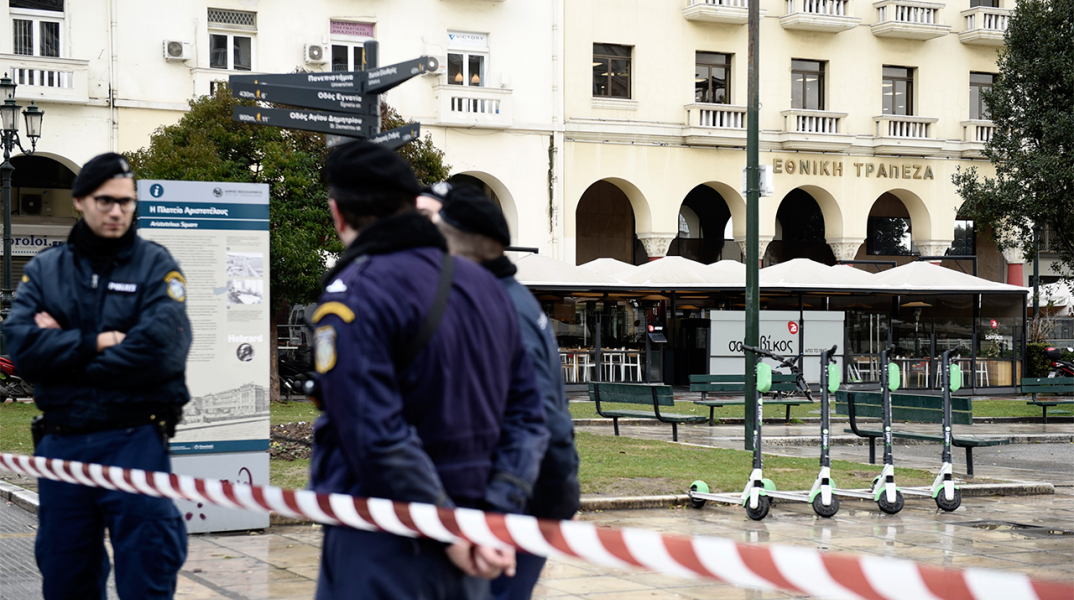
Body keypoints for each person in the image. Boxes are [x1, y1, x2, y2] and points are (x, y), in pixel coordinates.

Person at [309, 141, 549, 600]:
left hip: (384, 540)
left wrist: (447, 529)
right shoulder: (489, 286)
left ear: (338, 214)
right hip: (475, 534)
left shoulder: (354, 295)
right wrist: (491, 517)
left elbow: (377, 436)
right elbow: (528, 421)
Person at [2, 152, 192, 599]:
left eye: (126, 202)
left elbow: (161, 353)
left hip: (136, 441)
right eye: (106, 200)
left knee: (147, 575)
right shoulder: (46, 270)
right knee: (67, 577)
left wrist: (64, 345)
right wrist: (99, 341)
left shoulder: (155, 266)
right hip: (63, 443)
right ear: (80, 202)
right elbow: (24, 351)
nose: (117, 211)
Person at [435, 185, 581, 600]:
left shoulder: (501, 308)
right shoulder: (503, 298)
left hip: (523, 502)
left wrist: (525, 507)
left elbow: (540, 418)